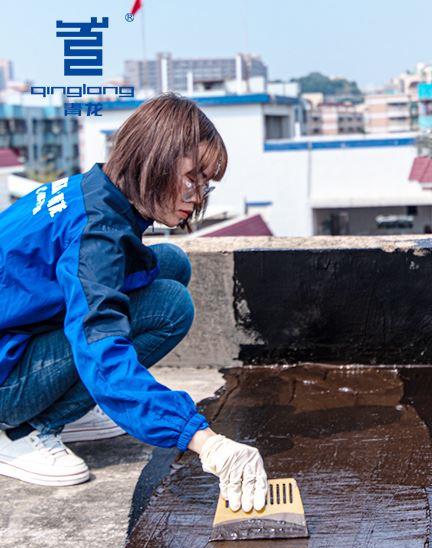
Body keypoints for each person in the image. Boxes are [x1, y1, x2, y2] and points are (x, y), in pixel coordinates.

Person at [0, 92, 268, 513]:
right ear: (155, 159)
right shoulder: (96, 236)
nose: (198, 196)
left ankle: (72, 406)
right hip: (5, 381)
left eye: (206, 183)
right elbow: (100, 343)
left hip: (14, 338)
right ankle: (23, 431)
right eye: (192, 177)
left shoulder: (95, 190)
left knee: (170, 264)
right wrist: (202, 439)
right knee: (169, 305)